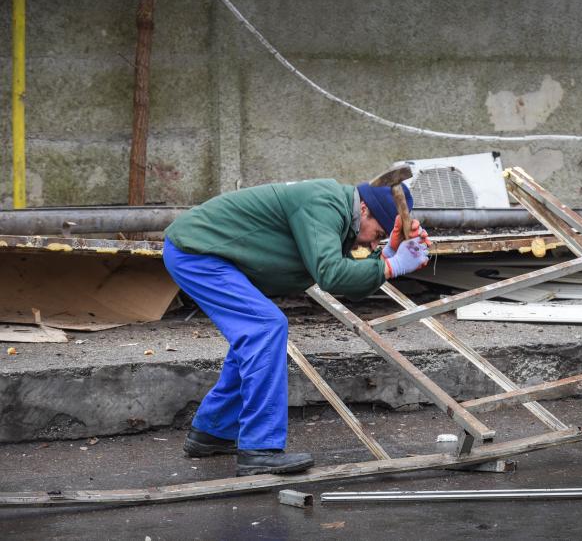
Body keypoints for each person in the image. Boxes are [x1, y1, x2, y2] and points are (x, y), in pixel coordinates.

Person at [162, 178, 429, 476]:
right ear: (364, 209)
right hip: (197, 252)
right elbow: (332, 275)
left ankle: (213, 431)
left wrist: (388, 255)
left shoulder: (342, 215)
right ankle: (260, 449)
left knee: (256, 338)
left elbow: (349, 281)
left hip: (207, 254)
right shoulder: (323, 203)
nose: (372, 243)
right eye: (378, 235)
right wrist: (392, 266)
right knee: (266, 328)